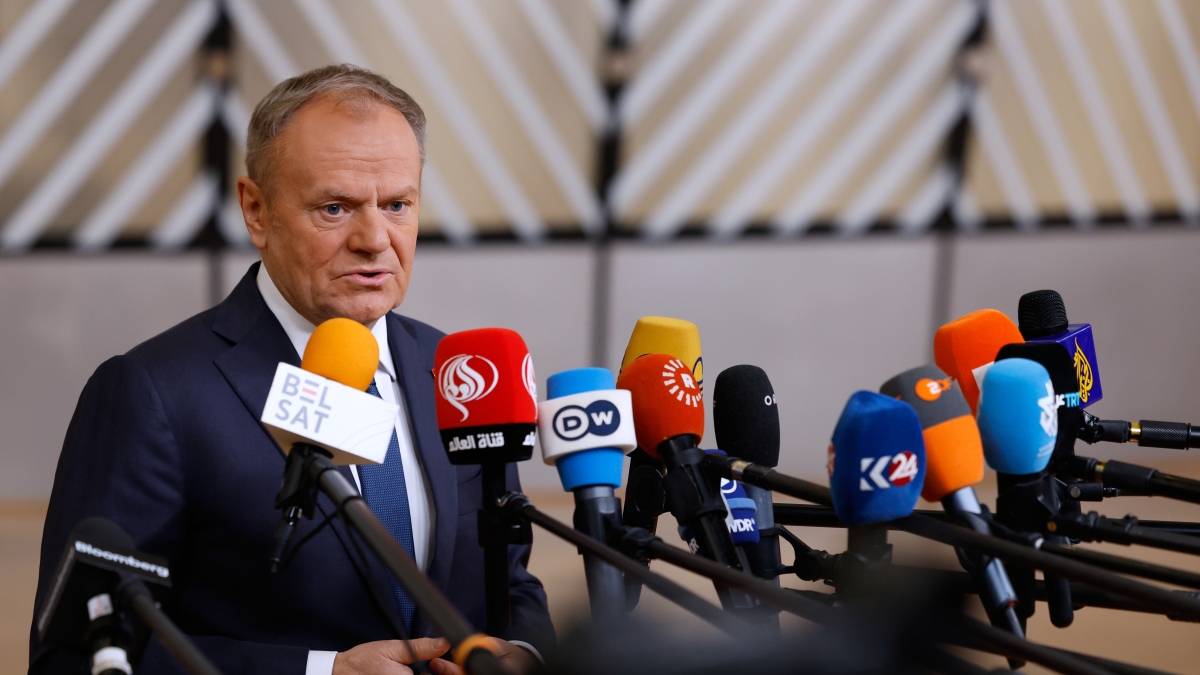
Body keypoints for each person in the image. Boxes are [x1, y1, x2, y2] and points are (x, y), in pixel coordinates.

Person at [30, 65, 553, 675]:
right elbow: (75, 657)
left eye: (397, 205)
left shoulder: (461, 373)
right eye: (335, 208)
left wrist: (524, 655)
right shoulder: (153, 393)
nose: (374, 238)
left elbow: (510, 584)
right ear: (256, 211)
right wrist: (321, 672)